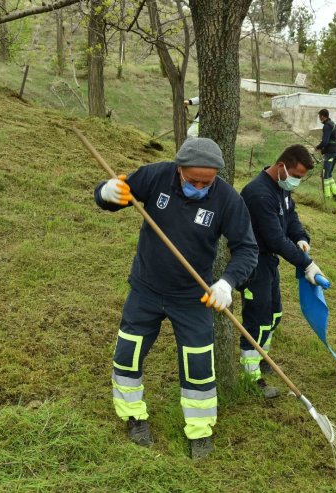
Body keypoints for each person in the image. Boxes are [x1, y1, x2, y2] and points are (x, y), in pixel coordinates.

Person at [94, 138, 258, 459]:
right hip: (146, 289)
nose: (199, 186)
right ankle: (133, 416)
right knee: (128, 353)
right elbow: (116, 194)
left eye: (206, 182)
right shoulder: (156, 176)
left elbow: (247, 248)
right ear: (179, 168)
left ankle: (200, 432)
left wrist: (227, 283)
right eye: (192, 180)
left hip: (192, 297)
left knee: (198, 364)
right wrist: (106, 194)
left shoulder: (226, 199)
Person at [239, 144, 325, 398]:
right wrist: (306, 263)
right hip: (253, 262)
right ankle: (251, 375)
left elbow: (291, 218)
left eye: (301, 178)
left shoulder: (281, 189)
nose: (297, 182)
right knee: (258, 319)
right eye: (296, 176)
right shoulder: (258, 194)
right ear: (281, 167)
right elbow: (275, 238)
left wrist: (300, 238)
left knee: (274, 314)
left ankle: (262, 357)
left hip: (269, 262)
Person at [316, 108, 336, 202]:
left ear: (323, 116)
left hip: (330, 154)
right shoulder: (334, 125)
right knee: (329, 174)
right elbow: (333, 141)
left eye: (320, 117)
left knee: (325, 175)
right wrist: (323, 151)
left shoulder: (327, 126)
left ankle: (327, 197)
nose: (319, 119)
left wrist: (318, 147)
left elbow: (325, 142)